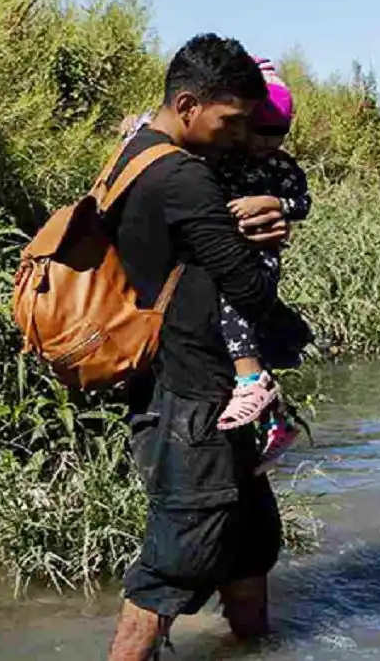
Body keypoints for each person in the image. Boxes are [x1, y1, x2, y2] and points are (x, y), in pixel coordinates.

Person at [103, 34, 293, 660]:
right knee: (176, 560)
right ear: (188, 106)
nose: (241, 135)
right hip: (190, 398)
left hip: (198, 391)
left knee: (250, 540)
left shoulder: (135, 151)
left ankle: (254, 649)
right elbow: (240, 280)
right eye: (231, 121)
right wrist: (273, 236)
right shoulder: (180, 175)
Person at [118, 59, 313, 477]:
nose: (259, 141)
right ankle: (265, 400)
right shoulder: (197, 163)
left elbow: (300, 202)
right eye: (246, 127)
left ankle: (255, 387)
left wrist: (275, 207)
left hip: (238, 279)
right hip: (180, 368)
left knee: (237, 309)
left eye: (276, 134)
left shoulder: (271, 167)